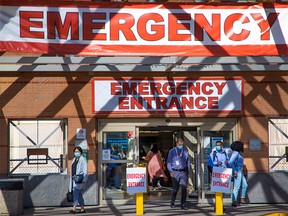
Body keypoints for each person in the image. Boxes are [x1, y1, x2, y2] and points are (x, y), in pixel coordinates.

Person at [167, 138, 190, 210]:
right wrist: (170, 171)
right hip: (175, 172)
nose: (181, 146)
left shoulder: (185, 151)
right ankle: (172, 202)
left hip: (183, 172)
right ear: (176, 144)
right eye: (180, 145)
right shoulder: (172, 151)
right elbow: (169, 162)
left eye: (182, 145)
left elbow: (188, 162)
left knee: (184, 188)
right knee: (175, 189)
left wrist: (188, 172)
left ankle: (183, 204)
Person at [228, 141, 248, 207]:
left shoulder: (238, 153)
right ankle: (234, 201)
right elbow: (230, 162)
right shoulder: (235, 153)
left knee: (245, 185)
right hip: (237, 170)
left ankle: (242, 199)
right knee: (237, 186)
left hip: (240, 170)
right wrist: (235, 171)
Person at [69, 146, 88, 214]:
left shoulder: (83, 159)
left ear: (81, 152)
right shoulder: (74, 159)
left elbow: (85, 170)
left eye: (78, 151)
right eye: (75, 151)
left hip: (80, 179)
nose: (76, 153)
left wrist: (84, 179)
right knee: (79, 194)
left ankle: (74, 207)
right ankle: (82, 208)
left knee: (76, 193)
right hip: (74, 179)